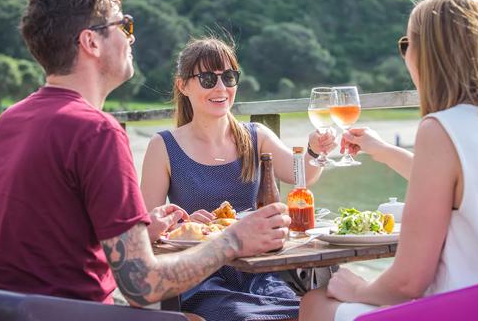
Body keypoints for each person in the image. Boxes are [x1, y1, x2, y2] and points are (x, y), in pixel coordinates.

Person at [0, 0, 291, 311]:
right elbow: (142, 286)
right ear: (91, 42)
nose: (131, 38)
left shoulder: (10, 119)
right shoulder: (97, 131)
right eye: (123, 26)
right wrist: (233, 240)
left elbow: (45, 246)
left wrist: (141, 233)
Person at [299, 0, 478, 321]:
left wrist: (358, 289)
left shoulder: (440, 128)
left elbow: (407, 282)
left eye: (407, 45)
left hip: (465, 311)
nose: (405, 56)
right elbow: (466, 187)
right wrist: (383, 150)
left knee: (314, 302)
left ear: (428, 53)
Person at [140, 37, 337, 321]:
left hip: (258, 273)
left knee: (307, 312)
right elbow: (148, 228)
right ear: (183, 85)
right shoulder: (163, 146)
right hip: (199, 277)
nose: (221, 88)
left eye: (228, 77)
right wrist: (185, 224)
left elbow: (301, 175)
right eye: (207, 79)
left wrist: (315, 150)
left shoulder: (255, 136)